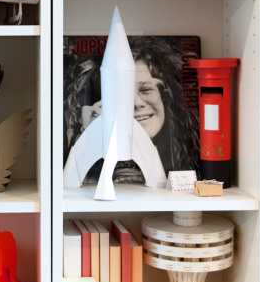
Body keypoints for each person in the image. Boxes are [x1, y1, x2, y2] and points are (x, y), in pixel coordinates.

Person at [64, 36, 200, 184]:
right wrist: (89, 138)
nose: (137, 103)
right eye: (122, 93)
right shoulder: (91, 144)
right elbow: (72, 188)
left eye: (146, 89)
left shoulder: (190, 157)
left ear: (165, 95)